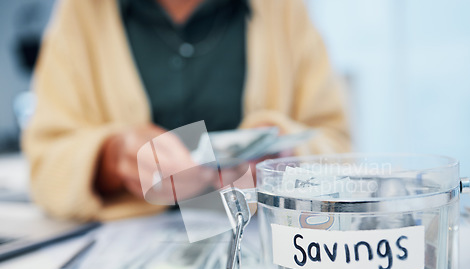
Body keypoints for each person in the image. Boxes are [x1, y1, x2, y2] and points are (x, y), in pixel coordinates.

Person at [22, 0, 351, 221]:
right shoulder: (82, 13)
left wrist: (286, 155)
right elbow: (44, 165)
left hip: (261, 249)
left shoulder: (283, 10)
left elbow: (338, 146)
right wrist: (112, 157)